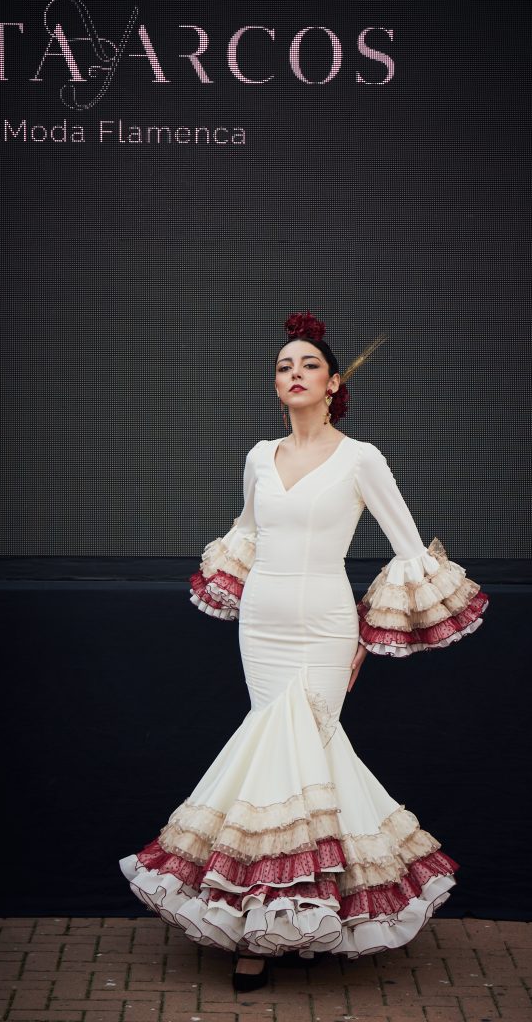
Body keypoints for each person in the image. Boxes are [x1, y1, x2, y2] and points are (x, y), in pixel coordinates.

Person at [119, 311, 489, 991]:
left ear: (333, 383)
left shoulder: (361, 458)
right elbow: (246, 530)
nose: (293, 374)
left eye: (307, 365)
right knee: (272, 753)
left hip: (323, 624)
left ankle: (293, 920)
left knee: (307, 756)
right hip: (259, 623)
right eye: (283, 366)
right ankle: (270, 923)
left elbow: (408, 550)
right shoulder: (260, 455)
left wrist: (367, 638)